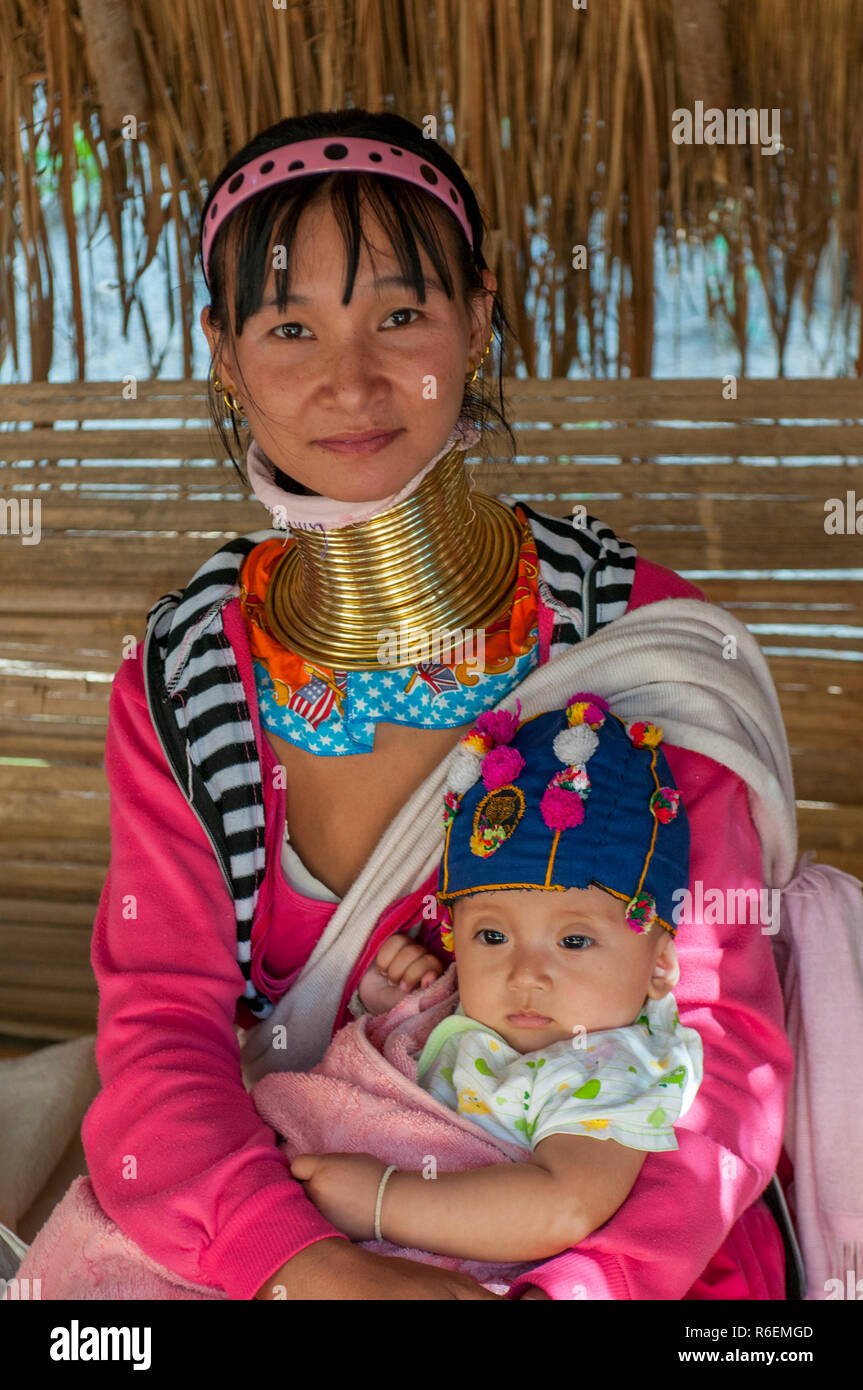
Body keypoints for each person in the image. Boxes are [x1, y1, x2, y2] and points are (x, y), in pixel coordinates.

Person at [73, 107, 792, 1300]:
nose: (349, 380)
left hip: (616, 1238)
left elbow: (723, 1053)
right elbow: (163, 1039)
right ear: (222, 349)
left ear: (479, 312)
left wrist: (577, 1286)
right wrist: (320, 1272)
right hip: (290, 1223)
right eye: (288, 326)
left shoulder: (634, 643)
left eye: (399, 314)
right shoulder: (189, 678)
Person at [288, 693, 705, 1268]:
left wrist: (382, 1202)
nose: (524, 974)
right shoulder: (461, 1007)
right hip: (304, 1208)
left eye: (574, 942)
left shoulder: (608, 1069)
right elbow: (387, 1074)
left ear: (658, 967)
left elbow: (563, 1205)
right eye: (492, 937)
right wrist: (390, 1010)